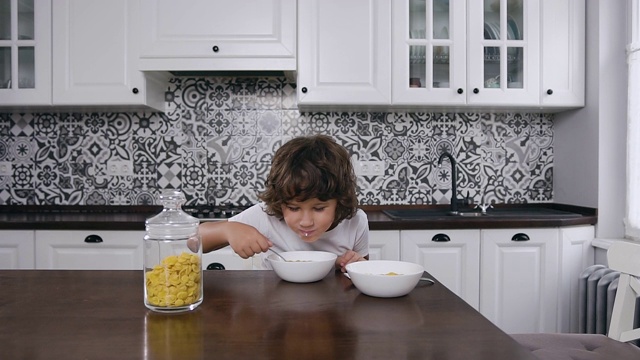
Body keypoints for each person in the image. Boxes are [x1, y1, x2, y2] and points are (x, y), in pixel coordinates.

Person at [199, 134, 369, 272]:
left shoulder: (355, 221)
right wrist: (226, 230)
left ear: (339, 201)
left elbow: (363, 268)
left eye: (318, 208)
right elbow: (191, 241)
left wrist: (354, 265)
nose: (306, 221)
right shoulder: (266, 216)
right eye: (294, 208)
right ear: (280, 201)